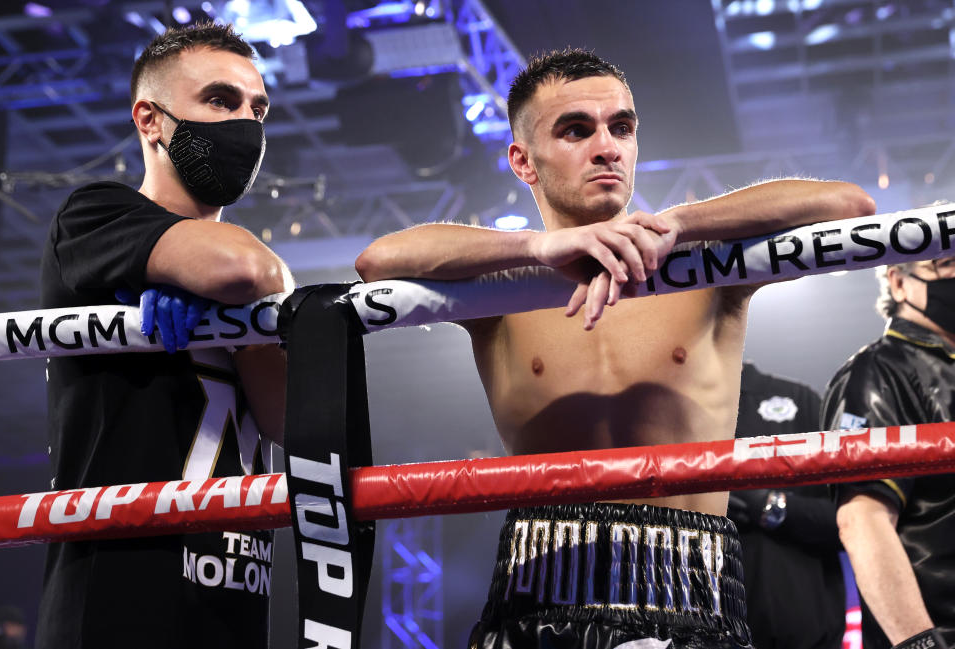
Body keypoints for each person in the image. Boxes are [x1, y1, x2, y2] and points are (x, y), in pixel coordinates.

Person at [356, 49, 876, 649]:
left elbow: (849, 205)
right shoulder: (504, 287)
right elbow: (379, 261)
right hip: (540, 573)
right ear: (523, 161)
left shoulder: (702, 266)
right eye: (576, 130)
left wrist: (678, 221)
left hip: (689, 578)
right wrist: (534, 248)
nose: (607, 146)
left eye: (621, 127)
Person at [37, 23, 293, 649]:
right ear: (150, 120)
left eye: (256, 108)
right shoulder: (94, 215)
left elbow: (291, 419)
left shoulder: (254, 269)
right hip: (117, 592)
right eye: (219, 101)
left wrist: (237, 313)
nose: (245, 124)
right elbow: (245, 269)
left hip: (235, 592)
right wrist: (231, 284)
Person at [822, 255, 955, 649]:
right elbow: (862, 519)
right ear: (898, 282)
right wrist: (920, 644)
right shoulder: (877, 371)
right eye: (947, 263)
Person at [729, 363, 844, 649]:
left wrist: (769, 506)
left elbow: (851, 518)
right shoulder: (664, 409)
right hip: (699, 630)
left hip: (801, 632)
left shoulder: (796, 400)